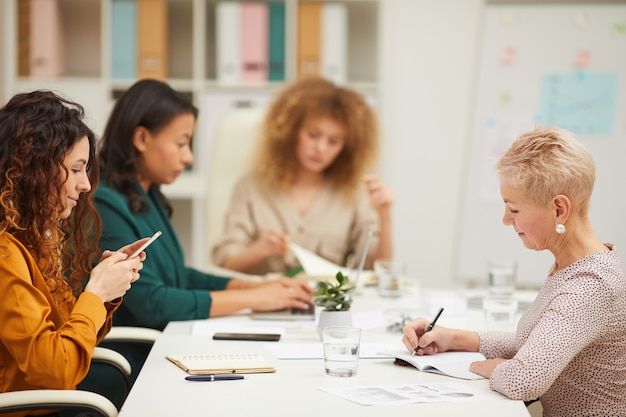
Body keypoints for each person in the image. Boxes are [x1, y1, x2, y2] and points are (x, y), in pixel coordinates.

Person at [402, 126, 626, 416]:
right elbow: (537, 343)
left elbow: (524, 379)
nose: (506, 220)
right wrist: (454, 338)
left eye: (514, 209)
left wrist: (492, 367)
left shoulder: (590, 284)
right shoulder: (576, 265)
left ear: (559, 209)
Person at [95, 78, 313, 334]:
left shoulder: (145, 195)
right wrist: (256, 299)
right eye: (181, 143)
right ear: (142, 138)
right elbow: (152, 303)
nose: (188, 157)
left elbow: (179, 278)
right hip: (140, 358)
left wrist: (258, 287)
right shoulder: (105, 205)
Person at [0, 90, 147, 413]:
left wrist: (105, 296)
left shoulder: (34, 242)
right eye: (77, 168)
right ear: (36, 169)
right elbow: (57, 369)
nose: (86, 185)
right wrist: (95, 293)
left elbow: (71, 341)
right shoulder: (5, 255)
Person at [212, 77, 394, 275]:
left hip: (327, 303)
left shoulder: (353, 193)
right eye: (313, 135)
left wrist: (385, 216)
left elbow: (377, 269)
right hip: (264, 301)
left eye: (333, 141)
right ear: (290, 131)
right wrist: (260, 249)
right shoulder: (250, 187)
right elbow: (226, 266)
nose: (321, 148)